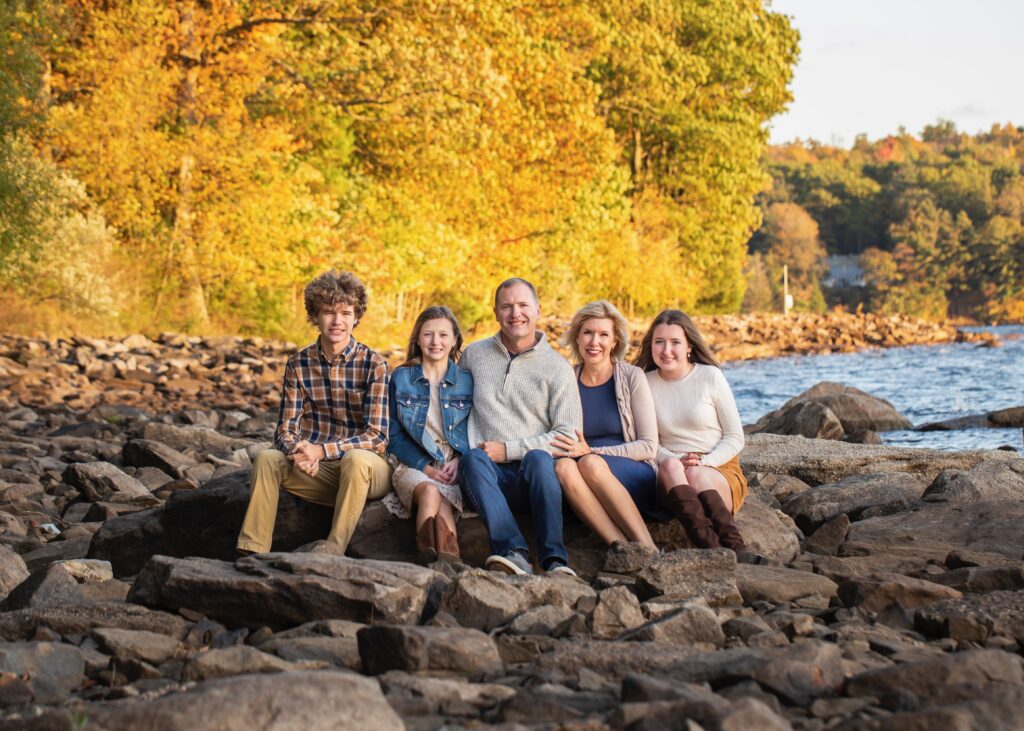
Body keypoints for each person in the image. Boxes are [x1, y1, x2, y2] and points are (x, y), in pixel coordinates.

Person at [236, 270, 392, 555]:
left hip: (366, 473)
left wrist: (322, 451)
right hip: (317, 472)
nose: (337, 321)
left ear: (356, 317)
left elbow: (378, 437)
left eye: (346, 313)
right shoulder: (298, 364)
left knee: (356, 460)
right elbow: (285, 429)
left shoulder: (375, 365)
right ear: (314, 316)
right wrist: (300, 452)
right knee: (267, 459)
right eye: (328, 312)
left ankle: (332, 550)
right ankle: (253, 550)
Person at [458, 277, 583, 576]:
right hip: (487, 477)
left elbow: (567, 435)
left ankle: (555, 560)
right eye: (507, 306)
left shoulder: (558, 369)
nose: (516, 313)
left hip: (536, 481)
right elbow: (454, 411)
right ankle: (513, 552)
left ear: (538, 310)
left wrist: (509, 450)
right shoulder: (473, 355)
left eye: (523, 305)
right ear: (496, 312)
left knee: (539, 458)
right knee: (472, 458)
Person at [634, 309, 762, 563]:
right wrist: (677, 459)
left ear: (689, 346)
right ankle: (718, 552)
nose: (666, 350)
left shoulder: (710, 376)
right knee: (672, 466)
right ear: (651, 346)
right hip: (671, 473)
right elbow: (650, 442)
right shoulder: (643, 382)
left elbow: (735, 436)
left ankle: (731, 547)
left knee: (695, 473)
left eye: (675, 342)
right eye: (659, 342)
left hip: (718, 469)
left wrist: (704, 462)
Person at [551, 300, 665, 551]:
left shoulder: (631, 376)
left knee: (589, 463)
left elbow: (648, 446)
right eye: (588, 333)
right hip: (583, 473)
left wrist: (593, 453)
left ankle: (649, 548)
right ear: (577, 338)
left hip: (634, 471)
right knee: (563, 468)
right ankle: (622, 548)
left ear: (615, 341)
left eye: (604, 334)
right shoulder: (565, 379)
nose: (595, 342)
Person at [382, 306, 473, 564]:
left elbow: (477, 428)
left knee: (444, 501)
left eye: (443, 335)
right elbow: (393, 434)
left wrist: (460, 459)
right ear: (418, 339)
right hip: (413, 464)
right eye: (428, 335)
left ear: (454, 340)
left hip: (452, 465)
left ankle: (448, 561)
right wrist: (426, 467)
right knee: (431, 493)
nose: (436, 342)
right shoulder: (401, 378)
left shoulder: (467, 381)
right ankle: (427, 555)